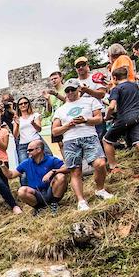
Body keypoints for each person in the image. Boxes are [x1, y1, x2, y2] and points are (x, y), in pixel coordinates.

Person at [51, 79, 108, 211]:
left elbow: (99, 119)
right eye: (67, 90)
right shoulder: (60, 109)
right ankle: (81, 201)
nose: (70, 92)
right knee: (75, 171)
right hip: (70, 140)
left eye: (72, 89)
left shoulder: (90, 101)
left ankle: (100, 189)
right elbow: (55, 130)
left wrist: (85, 120)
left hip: (89, 135)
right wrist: (67, 125)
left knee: (100, 164)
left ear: (78, 89)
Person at [103, 65, 139, 175]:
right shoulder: (134, 85)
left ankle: (113, 167)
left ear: (115, 78)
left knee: (106, 140)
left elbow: (112, 107)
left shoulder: (116, 89)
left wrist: (106, 117)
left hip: (126, 117)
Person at [5, 138, 66, 215]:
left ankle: (54, 203)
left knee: (61, 176)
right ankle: (39, 208)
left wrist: (53, 171)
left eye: (30, 150)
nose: (28, 152)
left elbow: (67, 168)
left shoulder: (51, 160)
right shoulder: (26, 162)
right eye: (27, 150)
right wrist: (2, 166)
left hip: (50, 191)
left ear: (39, 150)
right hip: (36, 193)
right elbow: (11, 175)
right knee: (21, 191)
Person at [13, 96, 47, 163]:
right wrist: (17, 124)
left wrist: (33, 124)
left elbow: (39, 129)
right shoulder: (17, 118)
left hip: (36, 141)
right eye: (21, 104)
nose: (23, 105)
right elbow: (15, 135)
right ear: (18, 106)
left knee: (47, 158)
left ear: (28, 104)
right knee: (23, 165)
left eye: (25, 103)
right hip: (23, 144)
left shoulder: (35, 115)